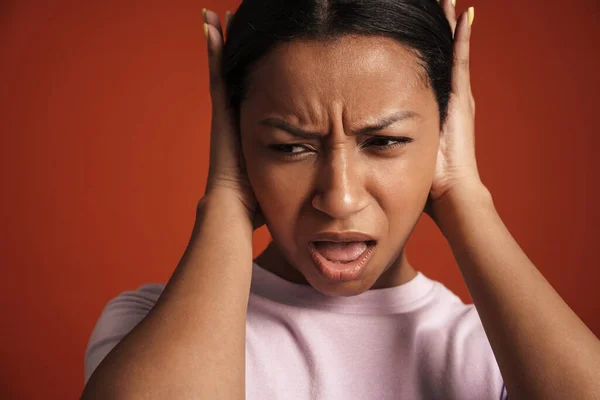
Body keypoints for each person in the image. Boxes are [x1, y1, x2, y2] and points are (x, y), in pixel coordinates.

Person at [81, 0, 600, 399]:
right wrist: (224, 198)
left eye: (385, 142)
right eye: (291, 147)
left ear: (446, 132)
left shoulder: (497, 346)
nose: (339, 197)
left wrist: (465, 193)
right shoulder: (144, 326)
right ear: (235, 142)